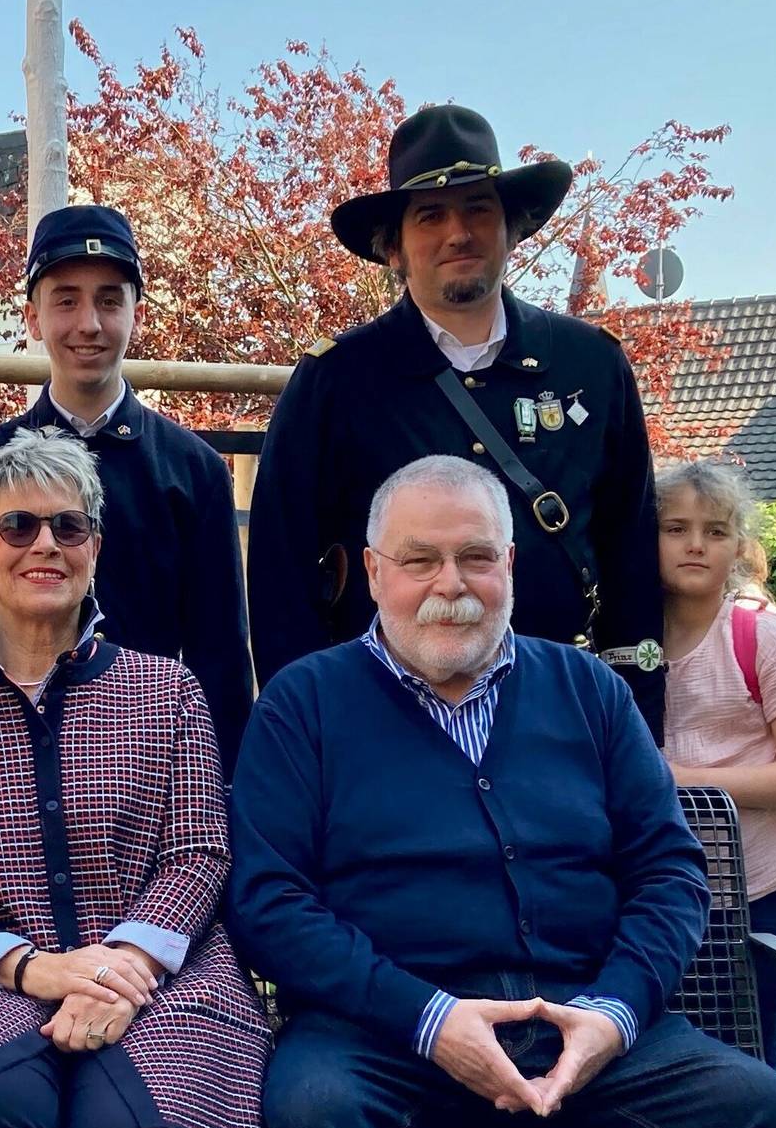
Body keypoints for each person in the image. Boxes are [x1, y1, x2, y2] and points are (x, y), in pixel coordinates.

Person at [230, 456, 776, 1128]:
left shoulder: (589, 689)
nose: (451, 584)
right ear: (374, 573)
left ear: (509, 562)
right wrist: (429, 1018)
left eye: (475, 557)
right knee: (312, 1120)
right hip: (382, 1030)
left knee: (756, 1113)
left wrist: (615, 1013)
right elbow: (267, 902)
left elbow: (671, 870)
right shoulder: (303, 703)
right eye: (420, 560)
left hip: (580, 1015)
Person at [0, 429, 269, 1128]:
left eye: (68, 525)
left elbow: (199, 851)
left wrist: (121, 963)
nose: (43, 544)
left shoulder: (168, 691)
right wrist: (32, 968)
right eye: (17, 525)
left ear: (95, 548)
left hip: (158, 980)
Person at [248, 104, 667, 737]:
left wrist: (637, 722)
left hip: (564, 717)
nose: (458, 233)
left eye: (478, 209)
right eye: (431, 215)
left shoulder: (592, 364)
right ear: (394, 245)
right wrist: (312, 734)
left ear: (512, 227)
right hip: (388, 722)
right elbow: (282, 572)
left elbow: (631, 550)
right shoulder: (335, 380)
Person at [0, 207, 255, 771]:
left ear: (137, 313)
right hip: (2, 756)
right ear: (33, 317)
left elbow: (220, 662)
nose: (89, 323)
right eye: (66, 299)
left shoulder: (193, 471)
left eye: (110, 300)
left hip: (148, 765)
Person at [654, 461, 776, 1065]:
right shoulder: (625, 639)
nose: (696, 544)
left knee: (750, 1064)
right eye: (675, 528)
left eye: (717, 531)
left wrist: (683, 782)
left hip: (757, 889)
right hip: (661, 891)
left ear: (740, 547)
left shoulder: (762, 637)